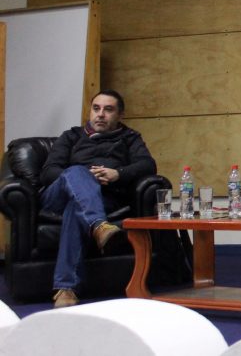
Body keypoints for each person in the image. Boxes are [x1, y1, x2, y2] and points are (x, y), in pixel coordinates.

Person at [39, 89, 156, 308]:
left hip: (104, 197)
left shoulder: (130, 138)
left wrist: (118, 173)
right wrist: (83, 177)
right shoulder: (71, 136)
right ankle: (99, 225)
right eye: (96, 108)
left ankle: (66, 289)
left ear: (120, 115)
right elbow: (48, 172)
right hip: (59, 196)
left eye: (108, 110)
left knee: (76, 208)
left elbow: (147, 165)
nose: (100, 114)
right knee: (77, 172)